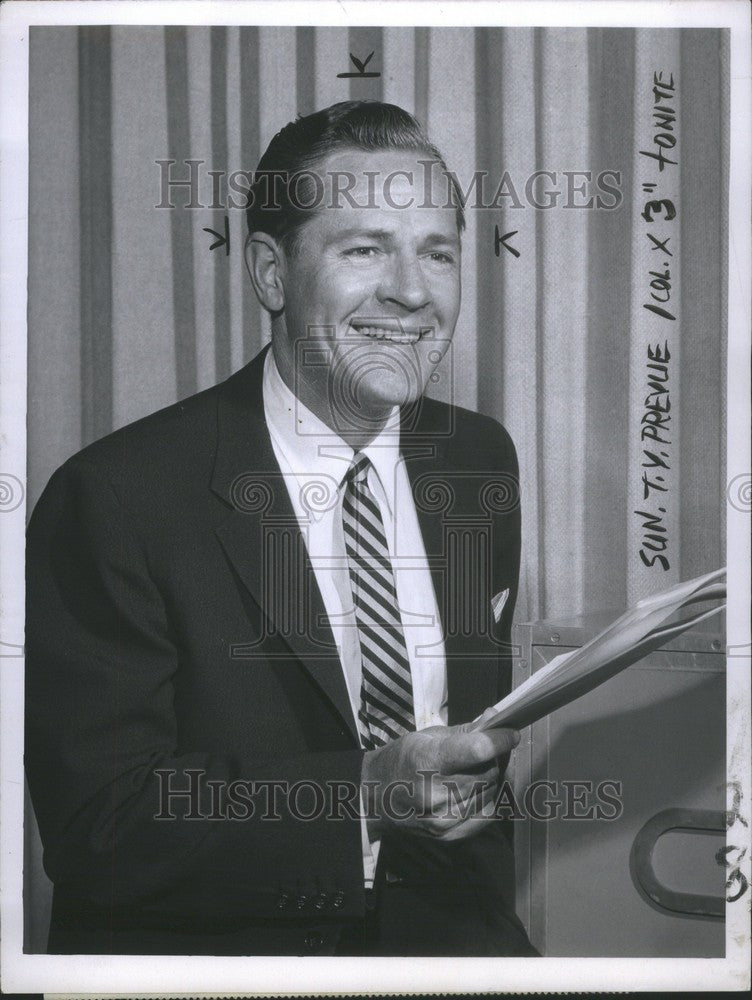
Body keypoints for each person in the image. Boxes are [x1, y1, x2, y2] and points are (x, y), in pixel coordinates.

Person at [25, 100, 536, 956]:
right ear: (270, 271)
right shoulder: (113, 498)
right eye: (364, 248)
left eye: (437, 252)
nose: (412, 291)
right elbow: (97, 827)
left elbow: (468, 741)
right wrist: (368, 794)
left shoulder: (479, 459)